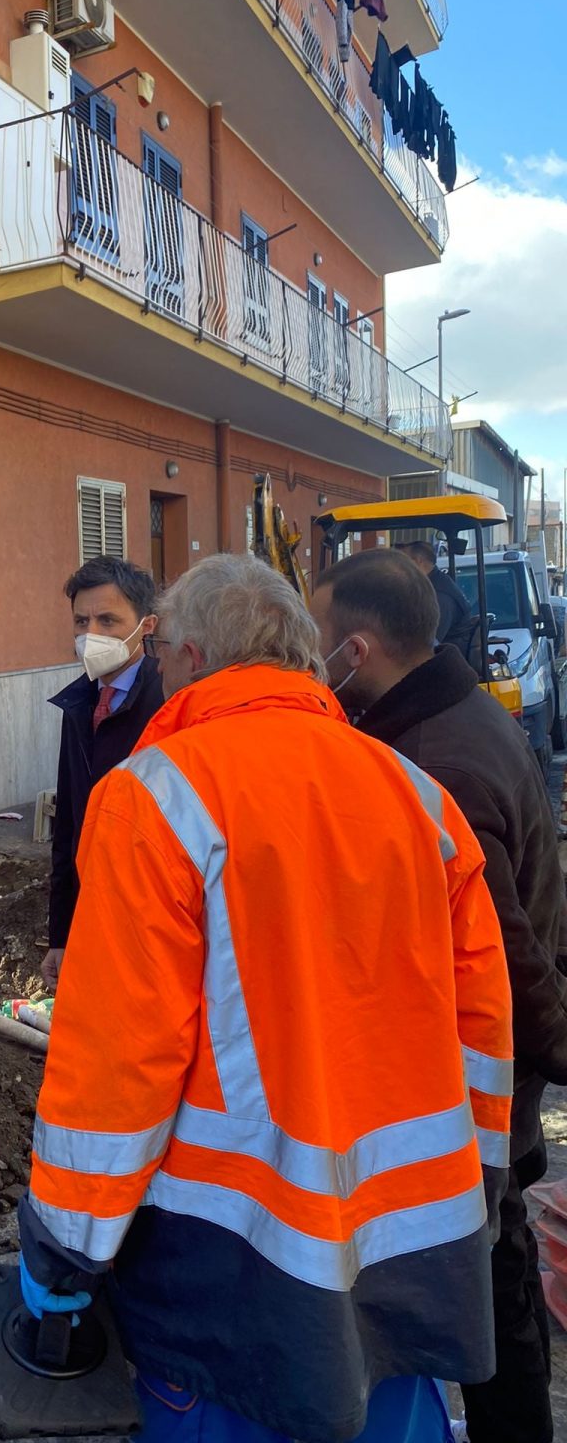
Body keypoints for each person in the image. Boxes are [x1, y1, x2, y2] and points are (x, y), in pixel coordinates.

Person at [19, 554, 513, 1443]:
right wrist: (477, 1187)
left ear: (193, 656)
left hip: (229, 1266)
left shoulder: (154, 798)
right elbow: (482, 1022)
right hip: (410, 1245)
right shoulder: (417, 795)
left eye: (161, 652)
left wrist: (64, 1243)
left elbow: (121, 1058)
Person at [312, 547, 567, 1443]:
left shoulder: (432, 766)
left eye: (318, 640)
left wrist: (555, 1051)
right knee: (497, 1279)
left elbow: (506, 956)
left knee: (493, 1290)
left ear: (357, 649)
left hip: (481, 1099)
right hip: (488, 1085)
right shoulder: (461, 713)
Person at [43, 555, 163, 988]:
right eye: (81, 621)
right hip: (91, 906)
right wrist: (60, 934)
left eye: (108, 621)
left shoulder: (168, 704)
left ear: (146, 626)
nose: (90, 635)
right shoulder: (79, 704)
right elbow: (68, 824)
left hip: (151, 917)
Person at [399, 539, 476, 648]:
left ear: (417, 561)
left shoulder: (440, 596)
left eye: (402, 562)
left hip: (445, 655)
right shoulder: (430, 585)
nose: (398, 567)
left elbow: (428, 643)